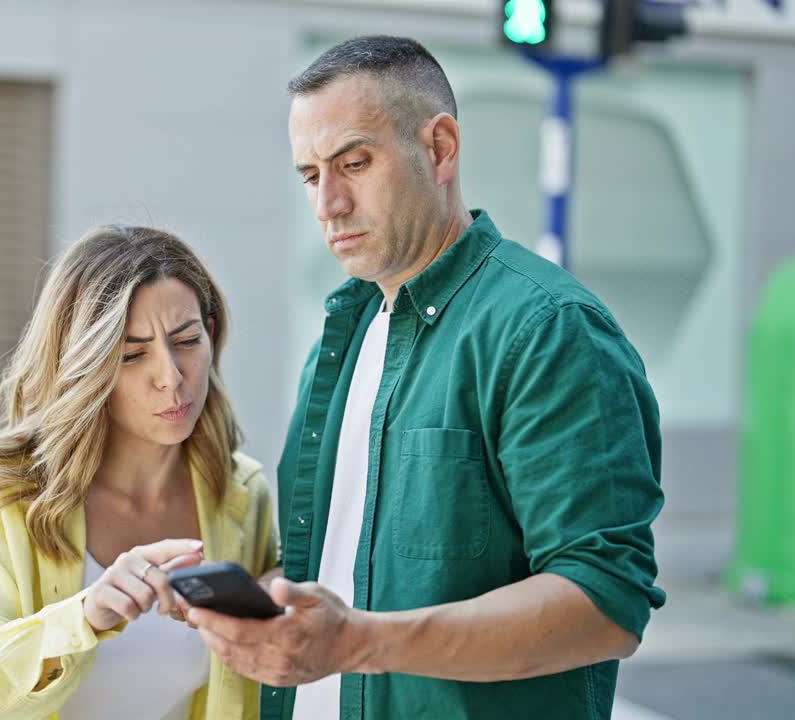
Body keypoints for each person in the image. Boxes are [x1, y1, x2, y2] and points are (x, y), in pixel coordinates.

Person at [186, 35, 666, 720]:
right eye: (310, 175)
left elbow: (604, 603)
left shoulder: (550, 328)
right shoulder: (343, 332)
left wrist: (361, 642)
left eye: (354, 162)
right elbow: (323, 565)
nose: (328, 204)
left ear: (440, 149)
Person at [0, 225, 278, 720]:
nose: (171, 377)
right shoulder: (0, 497)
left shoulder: (241, 493)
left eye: (187, 340)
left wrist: (279, 597)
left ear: (211, 333)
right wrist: (85, 616)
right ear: (85, 364)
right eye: (132, 354)